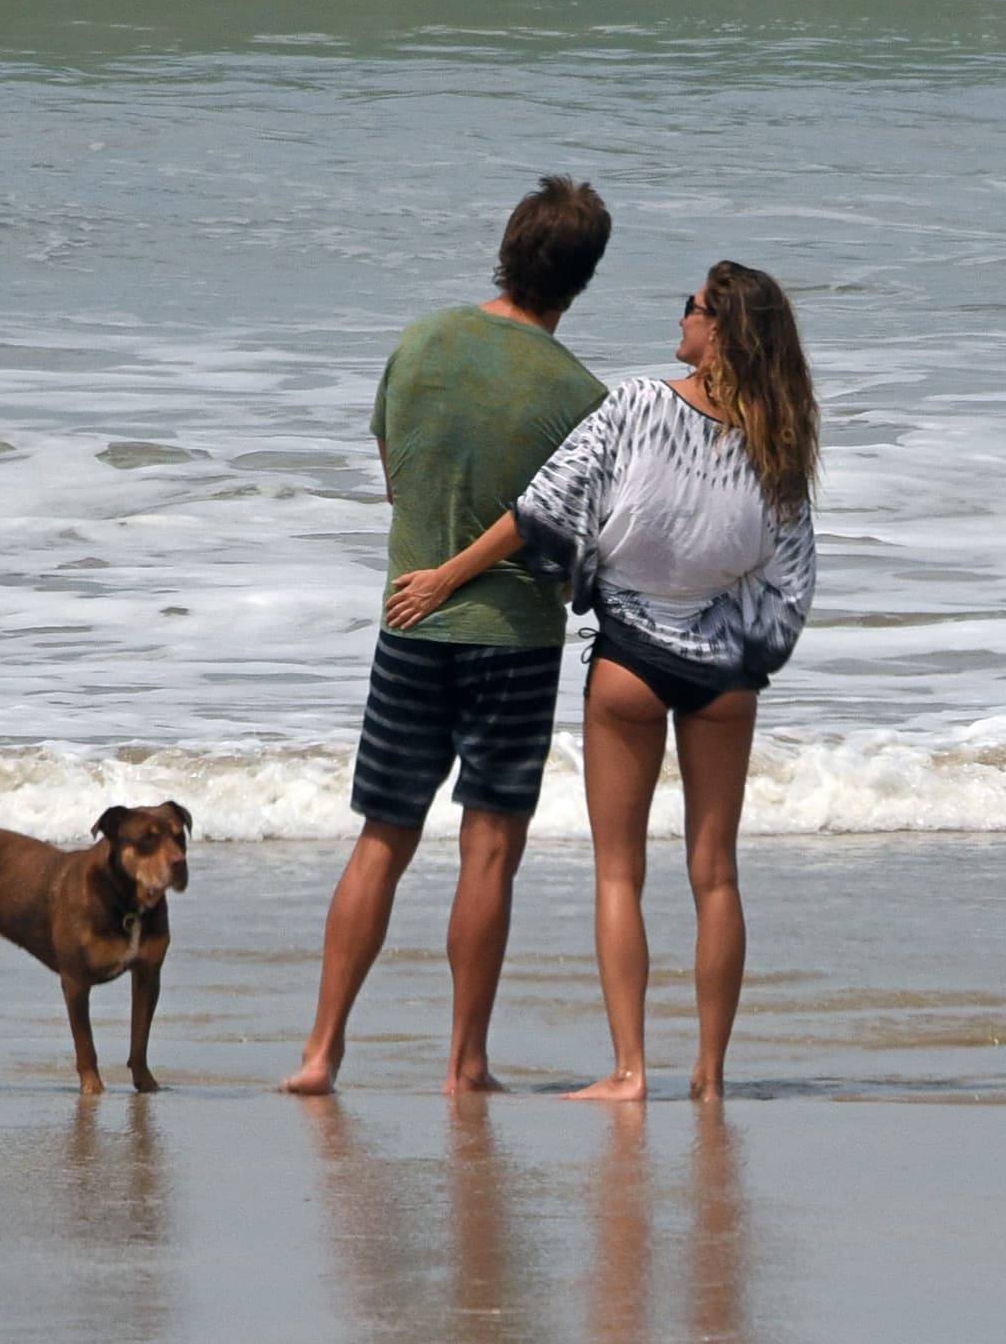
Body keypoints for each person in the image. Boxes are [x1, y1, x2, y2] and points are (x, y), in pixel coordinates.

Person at [384, 261, 819, 1101]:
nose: (680, 320)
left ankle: (629, 1070)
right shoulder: (782, 444)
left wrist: (444, 576)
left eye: (690, 308)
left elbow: (538, 510)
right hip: (725, 675)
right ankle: (711, 1075)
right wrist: (737, 654)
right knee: (716, 873)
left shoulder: (636, 404)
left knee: (619, 873)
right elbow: (789, 587)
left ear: (718, 330)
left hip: (628, 665)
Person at [281, 175, 613, 1096]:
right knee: (490, 848)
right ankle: (465, 1062)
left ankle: (319, 1052)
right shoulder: (580, 394)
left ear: (506, 246)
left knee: (382, 837)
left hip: (407, 621)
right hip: (512, 635)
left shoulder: (422, 339)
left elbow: (394, 465)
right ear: (581, 280)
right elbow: (566, 529)